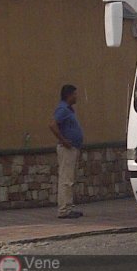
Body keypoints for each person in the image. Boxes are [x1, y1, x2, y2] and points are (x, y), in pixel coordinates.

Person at [49, 84, 84, 219]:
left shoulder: (69, 110)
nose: (76, 96)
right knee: (66, 179)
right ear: (69, 95)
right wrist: (63, 140)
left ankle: (69, 206)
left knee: (70, 179)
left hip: (72, 148)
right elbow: (52, 124)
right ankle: (64, 209)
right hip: (66, 149)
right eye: (75, 94)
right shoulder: (62, 109)